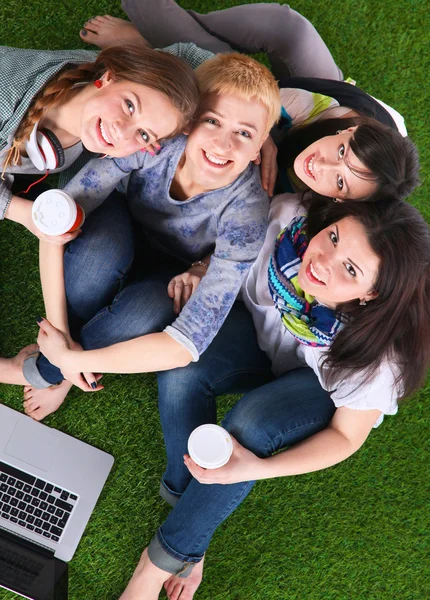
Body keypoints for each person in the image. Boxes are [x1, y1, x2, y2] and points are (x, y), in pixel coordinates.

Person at [36, 195, 430, 600]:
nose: (323, 261)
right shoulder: (286, 224)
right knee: (184, 369)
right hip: (259, 344)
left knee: (249, 426)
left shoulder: (380, 358)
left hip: (317, 386)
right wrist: (200, 269)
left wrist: (256, 468)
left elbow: (346, 439)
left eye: (351, 269)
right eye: (332, 237)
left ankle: (151, 572)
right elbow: (231, 257)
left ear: (373, 295)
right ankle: (191, 516)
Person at [16, 52, 281, 419]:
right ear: (188, 122)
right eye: (212, 121)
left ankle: (53, 372)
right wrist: (59, 330)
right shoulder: (155, 141)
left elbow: (185, 345)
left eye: (244, 134)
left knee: (143, 317)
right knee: (90, 271)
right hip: (120, 223)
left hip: (172, 270)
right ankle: (64, 345)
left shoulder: (247, 213)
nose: (223, 144)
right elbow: (57, 219)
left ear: (261, 145)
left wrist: (69, 360)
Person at [0, 41, 202, 383]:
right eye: (129, 104)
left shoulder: (97, 129)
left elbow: (192, 55)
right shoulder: (8, 97)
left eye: (143, 133)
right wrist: (22, 212)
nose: (121, 130)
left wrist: (258, 132)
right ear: (108, 77)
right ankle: (12, 373)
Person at [78, 1, 419, 201]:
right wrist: (264, 134)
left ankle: (158, 38)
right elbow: (243, 97)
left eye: (341, 182)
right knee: (281, 31)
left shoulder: (331, 209)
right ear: (349, 132)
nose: (322, 164)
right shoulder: (327, 109)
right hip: (312, 93)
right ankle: (151, 34)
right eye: (341, 151)